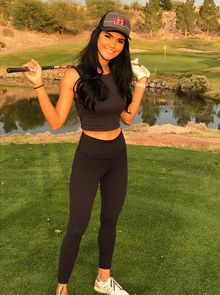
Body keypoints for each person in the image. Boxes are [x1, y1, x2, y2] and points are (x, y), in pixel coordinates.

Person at [23, 11, 150, 295]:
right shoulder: (75, 75)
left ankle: (103, 280)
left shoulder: (120, 73)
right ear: (97, 35)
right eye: (108, 36)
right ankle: (62, 287)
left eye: (120, 40)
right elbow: (56, 122)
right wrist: (39, 85)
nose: (113, 45)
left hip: (117, 155)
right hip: (89, 157)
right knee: (77, 226)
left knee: (110, 220)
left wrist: (140, 83)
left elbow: (127, 118)